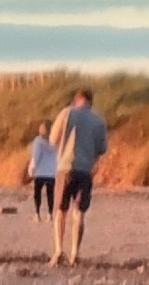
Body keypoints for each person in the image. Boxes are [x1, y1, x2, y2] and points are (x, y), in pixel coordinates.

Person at [48, 88, 108, 268]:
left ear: (77, 100)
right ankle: (75, 252)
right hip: (85, 169)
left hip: (65, 167)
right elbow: (102, 148)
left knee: (60, 210)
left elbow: (52, 139)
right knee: (79, 212)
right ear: (91, 101)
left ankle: (59, 250)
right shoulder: (98, 120)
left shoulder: (66, 113)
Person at [27, 120, 57, 223]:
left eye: (42, 128)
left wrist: (31, 170)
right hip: (51, 171)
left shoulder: (38, 141)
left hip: (40, 172)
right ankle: (49, 215)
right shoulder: (56, 140)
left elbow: (35, 157)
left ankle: (37, 214)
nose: (40, 129)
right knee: (50, 193)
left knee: (37, 194)